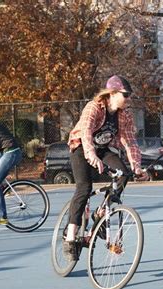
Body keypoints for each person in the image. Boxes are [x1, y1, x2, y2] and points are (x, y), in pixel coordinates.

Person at [64, 75, 148, 261]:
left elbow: (130, 141)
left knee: (123, 174)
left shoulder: (124, 115)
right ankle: (70, 236)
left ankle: (101, 213)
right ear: (113, 93)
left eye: (129, 95)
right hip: (80, 148)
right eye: (125, 95)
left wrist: (136, 165)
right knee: (84, 188)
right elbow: (85, 133)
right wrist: (90, 155)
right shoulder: (94, 107)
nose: (128, 99)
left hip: (103, 150)